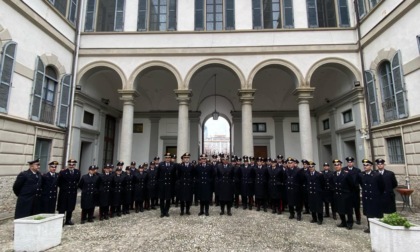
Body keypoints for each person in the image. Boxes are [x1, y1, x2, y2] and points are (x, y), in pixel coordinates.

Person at [359, 159, 384, 233]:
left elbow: (382, 186)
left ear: (371, 166)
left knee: (377, 212)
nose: (365, 166)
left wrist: (378, 194)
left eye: (367, 165)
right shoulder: (361, 174)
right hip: (366, 196)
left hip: (375, 196)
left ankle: (379, 227)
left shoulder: (377, 174)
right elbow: (361, 184)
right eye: (364, 165)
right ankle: (370, 227)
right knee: (368, 213)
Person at [332, 159, 355, 230]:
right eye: (335, 165)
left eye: (338, 165)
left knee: (348, 211)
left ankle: (350, 223)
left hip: (346, 195)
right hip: (338, 195)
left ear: (341, 165)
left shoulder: (346, 174)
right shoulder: (333, 174)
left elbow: (352, 185)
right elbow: (332, 184)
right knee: (340, 209)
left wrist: (349, 193)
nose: (336, 166)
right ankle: (343, 222)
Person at [57, 159, 81, 225]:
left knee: (70, 207)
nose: (71, 166)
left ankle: (68, 220)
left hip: (72, 192)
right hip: (64, 192)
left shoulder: (77, 172)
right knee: (62, 208)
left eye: (73, 165)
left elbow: (77, 181)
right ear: (68, 165)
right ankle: (61, 221)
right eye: (70, 164)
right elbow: (59, 182)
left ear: (75, 165)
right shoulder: (63, 172)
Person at [343, 156, 362, 225]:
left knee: (357, 205)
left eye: (351, 162)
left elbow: (360, 180)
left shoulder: (357, 170)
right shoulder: (344, 169)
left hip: (355, 190)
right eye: (348, 162)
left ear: (353, 163)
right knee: (348, 206)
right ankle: (350, 219)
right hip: (347, 191)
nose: (350, 163)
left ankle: (358, 219)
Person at [157, 153, 176, 217]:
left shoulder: (173, 165)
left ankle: (166, 211)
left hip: (169, 185)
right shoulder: (161, 164)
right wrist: (159, 183)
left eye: (169, 158)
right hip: (162, 184)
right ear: (165, 158)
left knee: (168, 199)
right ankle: (162, 212)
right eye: (166, 157)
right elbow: (158, 175)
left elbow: (174, 175)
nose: (167, 159)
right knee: (162, 199)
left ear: (170, 158)